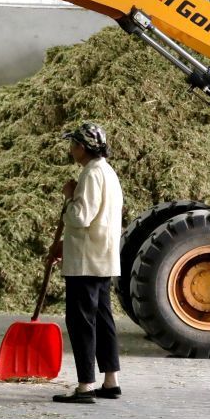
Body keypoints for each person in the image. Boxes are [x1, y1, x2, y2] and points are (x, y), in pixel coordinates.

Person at [47, 122, 124, 404]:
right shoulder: (108, 172)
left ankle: (85, 386)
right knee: (103, 320)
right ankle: (110, 381)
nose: (71, 149)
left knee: (81, 322)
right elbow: (98, 220)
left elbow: (81, 217)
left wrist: (69, 196)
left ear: (82, 147)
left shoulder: (91, 174)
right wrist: (65, 244)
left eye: (73, 144)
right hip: (101, 256)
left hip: (86, 263)